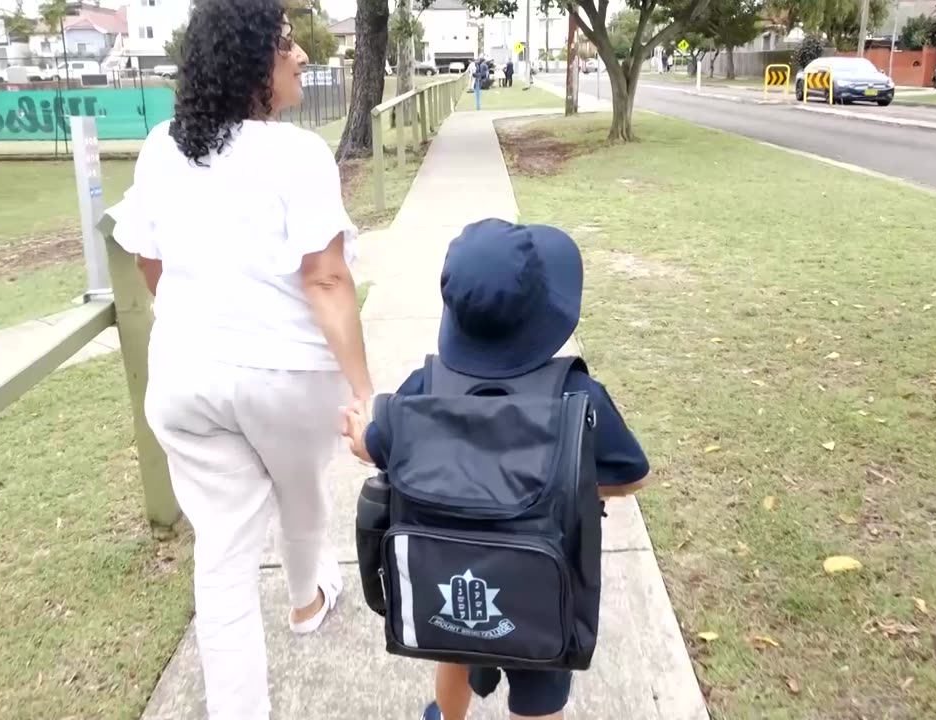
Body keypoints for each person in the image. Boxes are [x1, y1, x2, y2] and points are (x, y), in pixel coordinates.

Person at [106, 0, 372, 718]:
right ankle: (306, 600)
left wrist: (197, 320)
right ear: (254, 60)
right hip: (287, 375)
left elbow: (146, 257)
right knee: (300, 488)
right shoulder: (299, 154)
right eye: (288, 42)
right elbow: (325, 278)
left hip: (185, 378)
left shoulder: (162, 145)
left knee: (221, 562)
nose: (302, 56)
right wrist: (365, 388)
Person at [341, 219, 651, 720]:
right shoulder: (577, 397)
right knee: (541, 686)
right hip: (540, 585)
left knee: (454, 649)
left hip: (450, 568)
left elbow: (378, 447)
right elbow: (632, 474)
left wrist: (360, 432)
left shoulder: (426, 386)